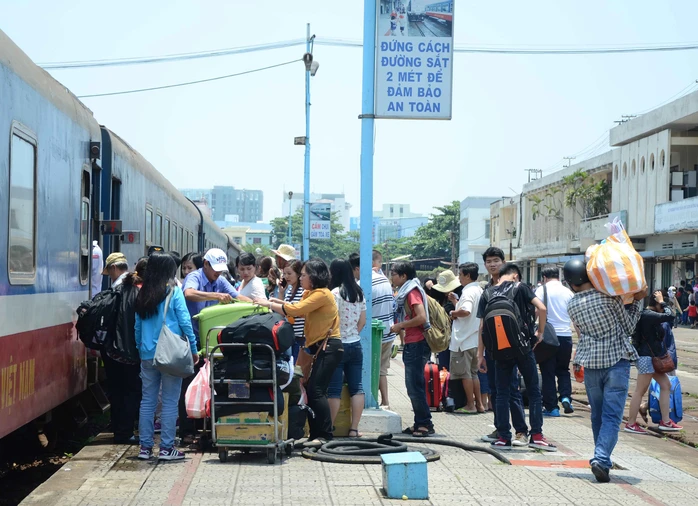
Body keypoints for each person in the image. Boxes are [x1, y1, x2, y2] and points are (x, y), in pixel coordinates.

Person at [565, 258, 646, 483]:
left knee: (597, 414)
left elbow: (582, 332)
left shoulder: (571, 304)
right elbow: (629, 326)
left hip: (591, 364)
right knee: (612, 416)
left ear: (571, 283)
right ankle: (600, 458)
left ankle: (602, 459)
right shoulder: (608, 297)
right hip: (616, 361)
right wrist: (638, 302)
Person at [255, 259, 343, 443]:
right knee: (311, 390)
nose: (300, 278)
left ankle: (325, 435)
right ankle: (315, 434)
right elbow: (297, 313)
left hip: (329, 347)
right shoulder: (311, 293)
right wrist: (276, 300)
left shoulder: (322, 294)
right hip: (316, 348)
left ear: (314, 276)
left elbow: (295, 310)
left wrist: (269, 303)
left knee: (316, 391)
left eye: (303, 275)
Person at [477, 263, 556, 451]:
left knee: (502, 394)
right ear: (515, 276)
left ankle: (504, 437)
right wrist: (541, 333)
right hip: (522, 347)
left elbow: (481, 328)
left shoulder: (486, 293)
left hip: (499, 351)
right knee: (534, 391)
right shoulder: (520, 287)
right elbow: (542, 309)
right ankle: (536, 435)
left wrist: (481, 355)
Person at [180, 248, 251, 443]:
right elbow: (189, 293)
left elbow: (236, 296)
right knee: (189, 384)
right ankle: (187, 430)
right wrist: (215, 297)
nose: (217, 273)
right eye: (214, 269)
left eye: (220, 270)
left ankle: (208, 427)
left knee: (211, 384)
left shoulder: (219, 280)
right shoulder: (195, 277)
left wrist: (257, 303)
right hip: (191, 340)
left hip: (211, 343)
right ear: (205, 264)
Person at [135, 253, 198, 461]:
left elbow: (137, 326)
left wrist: (140, 347)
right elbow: (185, 322)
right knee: (170, 401)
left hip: (147, 354)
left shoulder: (142, 293)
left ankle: (144, 448)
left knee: (147, 401)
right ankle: (166, 448)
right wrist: (193, 348)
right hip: (170, 353)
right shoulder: (173, 292)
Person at [478, 247, 529, 446]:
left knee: (512, 390)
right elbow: (482, 324)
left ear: (503, 262)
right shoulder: (486, 290)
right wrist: (479, 353)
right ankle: (501, 429)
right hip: (493, 347)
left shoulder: (516, 286)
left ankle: (521, 432)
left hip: (513, 348)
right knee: (495, 390)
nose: (492, 264)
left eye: (496, 260)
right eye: (489, 261)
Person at [625, 289, 682, 434]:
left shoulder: (650, 315)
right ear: (656, 304)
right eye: (661, 306)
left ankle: (666, 421)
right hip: (646, 358)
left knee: (666, 384)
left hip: (652, 358)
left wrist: (661, 302)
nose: (662, 308)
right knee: (640, 390)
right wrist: (663, 301)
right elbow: (670, 315)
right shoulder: (648, 315)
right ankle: (631, 423)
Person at [103, 257, 146, 444]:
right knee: (132, 392)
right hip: (129, 352)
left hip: (111, 350)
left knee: (117, 391)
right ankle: (125, 432)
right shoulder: (140, 293)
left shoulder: (118, 289)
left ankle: (117, 429)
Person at [390, 261, 433, 437]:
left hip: (417, 342)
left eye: (393, 273)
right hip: (414, 342)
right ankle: (420, 422)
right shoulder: (409, 290)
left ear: (403, 276)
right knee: (414, 385)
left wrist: (401, 325)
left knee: (414, 386)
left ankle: (424, 424)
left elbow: (421, 317)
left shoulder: (411, 292)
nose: (391, 277)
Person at [328, 259, 366, 437]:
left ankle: (329, 429)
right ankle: (354, 429)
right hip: (355, 344)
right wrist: (353, 334)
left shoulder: (335, 293)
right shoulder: (359, 293)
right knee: (357, 387)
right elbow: (363, 320)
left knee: (334, 389)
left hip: (337, 345)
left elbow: (332, 319)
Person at [441, 263, 484, 414]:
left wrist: (453, 312)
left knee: (465, 374)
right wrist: (456, 302)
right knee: (473, 374)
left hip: (463, 340)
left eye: (460, 275)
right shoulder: (478, 290)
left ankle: (470, 405)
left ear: (467, 275)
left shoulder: (468, 292)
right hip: (474, 338)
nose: (459, 278)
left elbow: (466, 311)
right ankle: (479, 404)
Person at [535, 267, 575, 417]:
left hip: (548, 337)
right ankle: (565, 397)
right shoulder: (568, 292)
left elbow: (536, 311)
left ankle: (552, 407)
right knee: (564, 370)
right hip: (566, 336)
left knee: (547, 372)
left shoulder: (541, 290)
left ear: (544, 277)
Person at [371, 250, 397, 409]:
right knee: (382, 370)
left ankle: (371, 399)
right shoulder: (386, 281)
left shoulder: (366, 282)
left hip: (373, 333)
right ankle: (385, 401)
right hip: (388, 331)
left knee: (369, 368)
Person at [269, 259, 305, 360]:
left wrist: (272, 303)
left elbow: (296, 308)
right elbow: (282, 311)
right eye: (284, 274)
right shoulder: (289, 290)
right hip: (290, 335)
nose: (286, 277)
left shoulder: (303, 291)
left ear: (298, 274)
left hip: (300, 337)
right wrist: (281, 292)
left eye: (289, 273)